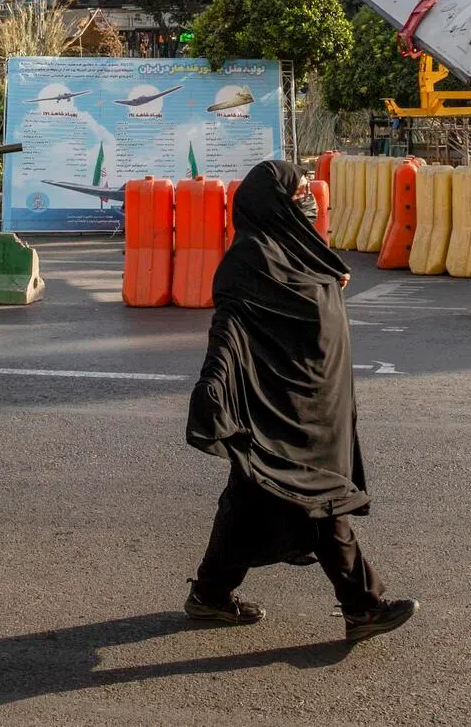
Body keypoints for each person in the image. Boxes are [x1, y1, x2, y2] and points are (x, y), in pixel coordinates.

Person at [184, 160, 418, 643]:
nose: (304, 204)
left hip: (310, 406)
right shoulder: (248, 259)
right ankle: (362, 606)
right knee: (316, 499)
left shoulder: (297, 253)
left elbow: (320, 283)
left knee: (247, 503)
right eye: (295, 197)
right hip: (279, 411)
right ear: (273, 204)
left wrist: (332, 279)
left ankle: (209, 595)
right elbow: (230, 328)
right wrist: (214, 381)